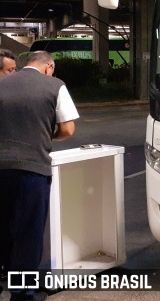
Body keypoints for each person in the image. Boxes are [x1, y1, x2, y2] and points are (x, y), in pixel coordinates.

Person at [0, 51, 79, 301]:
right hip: (33, 170)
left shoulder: (2, 83)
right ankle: (22, 294)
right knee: (28, 234)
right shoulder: (55, 86)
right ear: (49, 67)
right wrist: (46, 136)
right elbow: (67, 128)